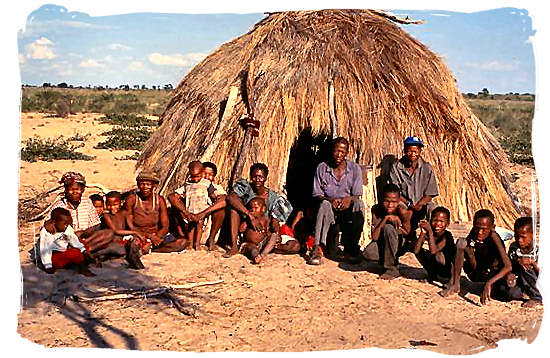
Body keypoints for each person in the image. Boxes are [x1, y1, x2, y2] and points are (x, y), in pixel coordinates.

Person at [308, 137, 364, 265]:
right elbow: (317, 194)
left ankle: (352, 248)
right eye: (336, 151)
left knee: (359, 205)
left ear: (347, 153)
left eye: (342, 152)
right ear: (332, 151)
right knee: (324, 205)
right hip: (330, 211)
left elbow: (356, 194)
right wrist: (330, 200)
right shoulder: (322, 168)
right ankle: (317, 247)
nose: (339, 155)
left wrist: (348, 199)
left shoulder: (354, 169)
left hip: (347, 210)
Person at [439, 209, 515, 304]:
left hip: (492, 273)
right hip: (476, 272)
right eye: (477, 227)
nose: (479, 232)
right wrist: (470, 254)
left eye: (484, 229)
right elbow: (467, 248)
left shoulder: (494, 237)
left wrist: (489, 283)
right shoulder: (474, 233)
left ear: (492, 227)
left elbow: (508, 266)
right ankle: (455, 284)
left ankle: (493, 287)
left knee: (509, 284)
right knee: (461, 243)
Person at [226, 163, 294, 257]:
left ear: (265, 178)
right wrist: (249, 216)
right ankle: (234, 246)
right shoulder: (246, 188)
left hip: (265, 234)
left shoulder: (273, 197)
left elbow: (275, 220)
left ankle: (268, 248)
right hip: (247, 229)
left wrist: (276, 232)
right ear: (251, 177)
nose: (257, 180)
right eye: (255, 176)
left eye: (261, 177)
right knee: (234, 211)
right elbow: (231, 197)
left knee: (294, 246)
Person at [168, 161, 226, 250]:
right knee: (176, 206)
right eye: (205, 174)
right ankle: (186, 239)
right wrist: (185, 212)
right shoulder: (189, 184)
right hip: (191, 217)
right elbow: (172, 197)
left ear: (214, 177)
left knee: (220, 209)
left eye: (210, 174)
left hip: (207, 224)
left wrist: (203, 213)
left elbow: (223, 201)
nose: (206, 177)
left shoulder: (214, 187)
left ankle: (211, 239)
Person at [389, 136, 438, 239]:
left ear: (420, 151)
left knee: (433, 209)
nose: (413, 154)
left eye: (416, 151)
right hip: (405, 202)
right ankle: (407, 235)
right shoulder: (397, 168)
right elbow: (395, 193)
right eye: (410, 151)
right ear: (405, 151)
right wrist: (409, 204)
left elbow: (430, 193)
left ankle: (432, 237)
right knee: (402, 209)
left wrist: (419, 204)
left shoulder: (426, 168)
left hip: (422, 203)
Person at [50, 172, 111, 253]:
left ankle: (84, 250)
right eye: (71, 189)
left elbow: (95, 225)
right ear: (66, 190)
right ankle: (84, 252)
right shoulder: (58, 206)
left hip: (86, 239)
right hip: (66, 241)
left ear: (82, 190)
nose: (75, 192)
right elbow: (50, 230)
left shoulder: (87, 202)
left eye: (77, 189)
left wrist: (83, 233)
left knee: (108, 233)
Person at [126, 171, 186, 253]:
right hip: (138, 234)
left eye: (148, 184)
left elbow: (165, 226)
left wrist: (155, 238)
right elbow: (130, 226)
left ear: (154, 185)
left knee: (182, 243)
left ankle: (153, 248)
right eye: (142, 184)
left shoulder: (160, 200)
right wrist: (149, 237)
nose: (145, 187)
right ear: (138, 185)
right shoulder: (132, 199)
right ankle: (147, 248)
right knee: (134, 243)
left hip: (157, 235)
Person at [363, 183, 412, 279]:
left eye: (394, 202)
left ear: (398, 201)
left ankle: (391, 269)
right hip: (382, 241)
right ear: (382, 200)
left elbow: (407, 233)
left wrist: (397, 228)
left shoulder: (403, 211)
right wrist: (385, 219)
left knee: (388, 229)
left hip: (400, 243)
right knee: (368, 253)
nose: (390, 205)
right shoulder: (376, 209)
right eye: (387, 201)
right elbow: (375, 237)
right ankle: (386, 262)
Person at [37, 207, 95, 276]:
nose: (66, 226)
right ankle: (83, 268)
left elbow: (74, 240)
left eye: (68, 223)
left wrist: (83, 250)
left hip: (64, 251)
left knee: (82, 242)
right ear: (54, 222)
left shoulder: (67, 228)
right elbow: (45, 249)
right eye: (65, 224)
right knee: (75, 253)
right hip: (54, 256)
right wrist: (48, 266)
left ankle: (84, 258)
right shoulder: (47, 232)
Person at [99, 191, 146, 269]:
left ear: (121, 203)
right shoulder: (106, 216)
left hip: (123, 242)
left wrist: (139, 235)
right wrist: (135, 232)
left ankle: (132, 258)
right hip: (113, 242)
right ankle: (131, 259)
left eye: (115, 205)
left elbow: (132, 227)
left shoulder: (125, 213)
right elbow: (115, 231)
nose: (112, 207)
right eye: (109, 205)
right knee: (115, 249)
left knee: (134, 244)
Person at [413, 206, 456, 284]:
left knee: (438, 255)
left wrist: (430, 232)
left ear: (447, 223)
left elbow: (434, 252)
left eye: (441, 221)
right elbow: (416, 250)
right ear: (430, 221)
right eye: (435, 220)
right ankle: (432, 275)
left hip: (447, 269)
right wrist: (423, 233)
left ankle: (446, 279)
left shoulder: (447, 236)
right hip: (435, 266)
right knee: (420, 251)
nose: (437, 224)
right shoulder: (430, 233)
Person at [506, 217, 542, 307]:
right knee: (511, 293)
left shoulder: (539, 249)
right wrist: (518, 261)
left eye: (523, 237)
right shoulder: (514, 247)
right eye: (517, 236)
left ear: (533, 235)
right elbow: (510, 264)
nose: (519, 240)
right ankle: (527, 292)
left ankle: (537, 298)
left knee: (526, 267)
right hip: (523, 281)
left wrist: (532, 262)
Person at [239, 197, 279, 264]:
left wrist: (273, 233)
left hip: (262, 243)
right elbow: (241, 230)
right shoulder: (249, 220)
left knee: (274, 236)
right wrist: (246, 222)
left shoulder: (266, 219)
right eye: (251, 208)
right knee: (253, 250)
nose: (253, 210)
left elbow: (269, 231)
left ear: (263, 209)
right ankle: (256, 256)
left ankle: (263, 254)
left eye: (256, 208)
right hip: (250, 244)